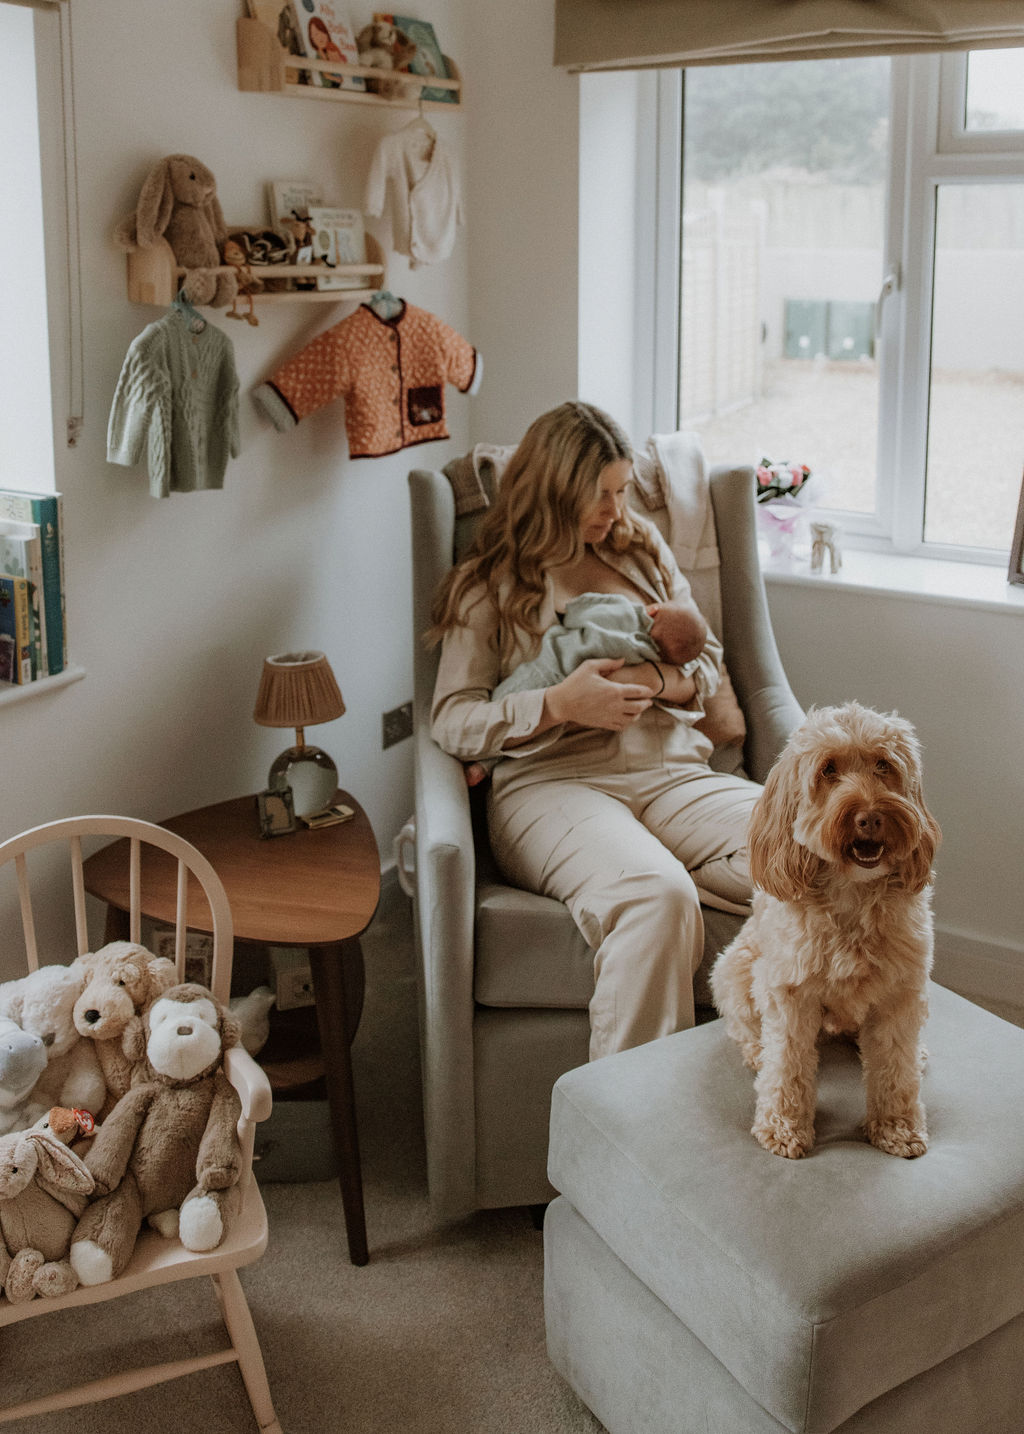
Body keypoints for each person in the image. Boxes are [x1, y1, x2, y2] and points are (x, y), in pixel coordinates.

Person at [429, 401, 762, 1060]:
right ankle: (628, 1138)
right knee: (656, 898)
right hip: (553, 786)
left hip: (672, 772)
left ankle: (652, 862)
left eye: (620, 490)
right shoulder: (489, 585)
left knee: (808, 843)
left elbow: (709, 659)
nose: (616, 509)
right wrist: (556, 704)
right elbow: (452, 717)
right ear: (553, 490)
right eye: (600, 494)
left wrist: (656, 684)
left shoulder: (642, 551)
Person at [461, 592, 707, 787]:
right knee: (525, 720)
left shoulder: (626, 613)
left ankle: (484, 761)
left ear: (653, 610)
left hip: (549, 672)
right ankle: (484, 764)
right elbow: (695, 663)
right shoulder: (646, 654)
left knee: (507, 707)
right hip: (563, 747)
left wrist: (572, 609)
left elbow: (580, 613)